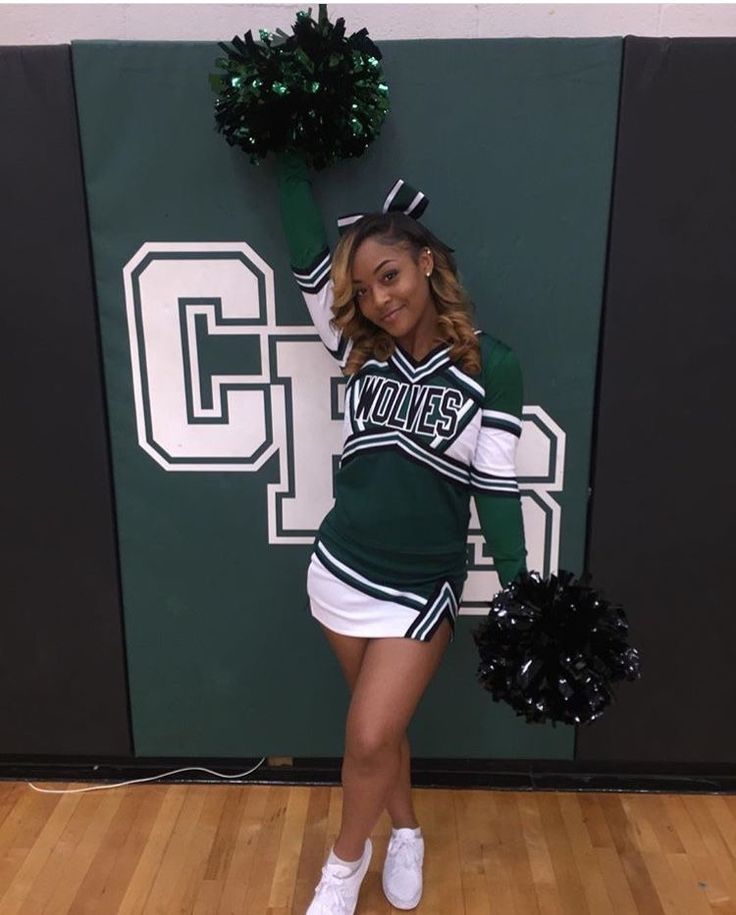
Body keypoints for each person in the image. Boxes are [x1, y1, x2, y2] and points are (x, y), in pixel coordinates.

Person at [275, 149, 527, 915]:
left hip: (420, 585)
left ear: (424, 262)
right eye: (364, 288)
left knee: (368, 734)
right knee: (376, 736)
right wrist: (287, 156)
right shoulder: (359, 349)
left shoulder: (492, 366)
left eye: (390, 275)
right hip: (339, 568)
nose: (380, 297)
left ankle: (343, 868)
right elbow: (305, 256)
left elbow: (496, 484)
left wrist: (520, 589)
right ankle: (407, 828)